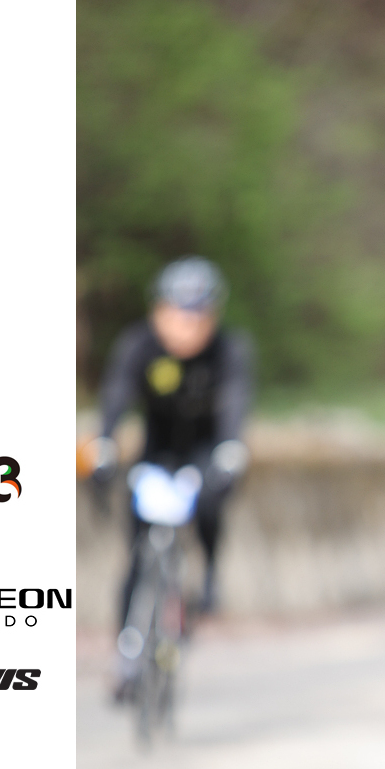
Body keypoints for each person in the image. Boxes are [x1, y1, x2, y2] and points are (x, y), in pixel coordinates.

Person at [90, 257, 253, 647]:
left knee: (211, 502)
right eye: (178, 314)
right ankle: (127, 645)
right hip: (157, 448)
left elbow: (235, 401)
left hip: (205, 447)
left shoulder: (228, 350)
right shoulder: (139, 344)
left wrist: (231, 448)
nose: (187, 326)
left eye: (198, 316)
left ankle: (209, 574)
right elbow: (117, 393)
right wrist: (105, 441)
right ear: (159, 311)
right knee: (136, 544)